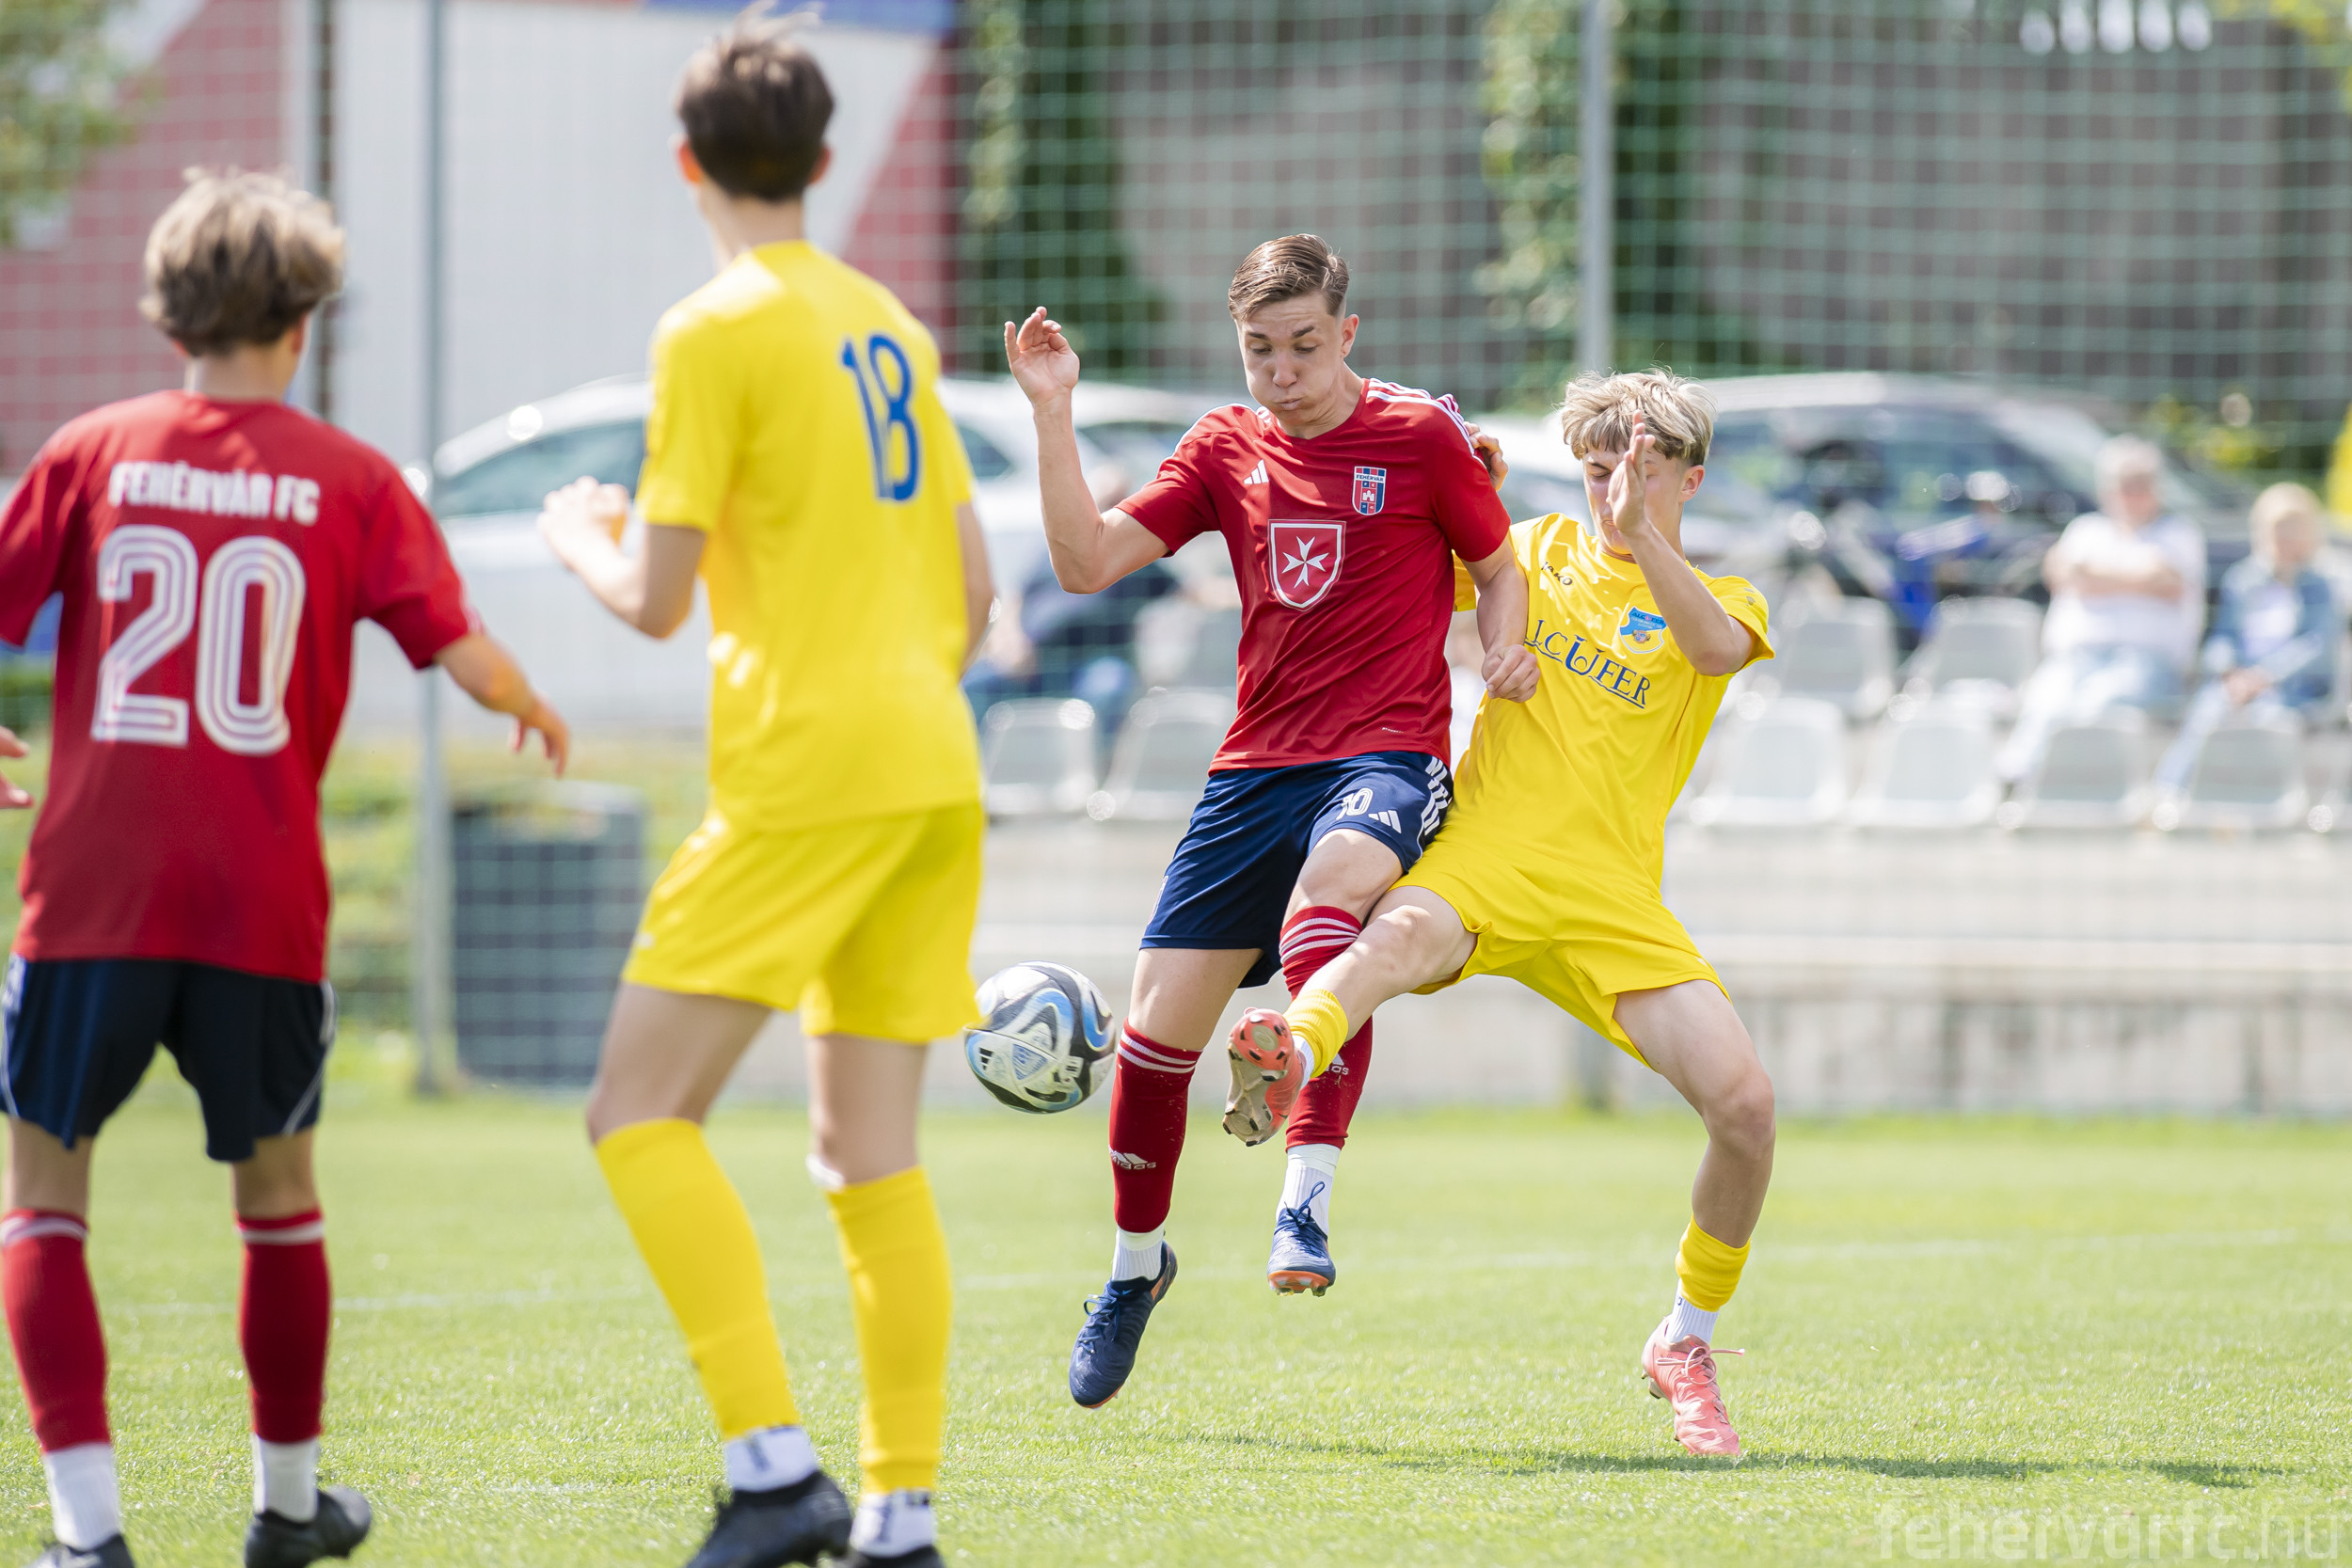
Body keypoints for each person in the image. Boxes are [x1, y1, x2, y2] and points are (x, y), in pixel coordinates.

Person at [0, 170, 568, 1568]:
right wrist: (528, 700)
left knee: (43, 1198)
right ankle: (290, 1508)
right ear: (306, 323)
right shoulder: (350, 479)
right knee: (278, 1201)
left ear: (165, 312)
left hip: (91, 891)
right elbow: (457, 646)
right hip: (257, 900)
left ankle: (88, 1534)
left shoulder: (92, 450)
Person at [535, 19, 992, 1568]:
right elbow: (976, 590)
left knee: (634, 1110)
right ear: (825, 157)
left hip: (807, 770)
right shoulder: (891, 326)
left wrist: (576, 535)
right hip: (933, 766)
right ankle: (899, 1513)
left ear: (688, 164)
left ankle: (772, 1466)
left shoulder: (711, 329)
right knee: (871, 1152)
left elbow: (654, 597)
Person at [1002, 233, 1538, 1409]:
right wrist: (1052, 409)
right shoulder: (1221, 447)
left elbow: (1500, 565)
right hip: (1253, 769)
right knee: (1153, 1043)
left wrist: (1503, 645)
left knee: (1333, 891)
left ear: (1347, 333)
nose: (1282, 372)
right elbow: (1086, 563)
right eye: (1259, 350)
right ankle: (1132, 1270)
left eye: (1303, 346)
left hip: (1387, 751)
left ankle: (1304, 1199)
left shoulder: (1418, 437)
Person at [1226, 370, 1778, 1460]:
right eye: (1596, 468)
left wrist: (1639, 536)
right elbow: (1401, 574)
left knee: (1746, 1108)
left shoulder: (1722, 597)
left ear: (1688, 480)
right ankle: (1291, 1048)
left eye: (1638, 471)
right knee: (1393, 940)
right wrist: (1447, 484)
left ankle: (1684, 1338)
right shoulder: (1529, 551)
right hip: (1487, 853)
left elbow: (1714, 651)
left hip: (1610, 895)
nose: (1610, 489)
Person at [1994, 436, 2205, 784]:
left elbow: (2163, 581)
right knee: (2046, 703)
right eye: (2123, 485)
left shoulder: (2179, 533)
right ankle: (2016, 785)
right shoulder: (2086, 529)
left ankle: (2069, 788)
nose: (2131, 494)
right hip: (2075, 659)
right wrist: (2134, 578)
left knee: (2096, 705)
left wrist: (2093, 576)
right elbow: (2060, 573)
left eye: (2141, 484)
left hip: (2146, 663)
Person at [2154, 483, 2340, 793]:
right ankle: (2170, 792)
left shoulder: (2319, 586)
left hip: (2292, 689)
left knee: (2271, 719)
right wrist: (2229, 672)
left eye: (2292, 529)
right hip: (2239, 683)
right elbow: (2223, 637)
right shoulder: (2243, 579)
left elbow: (2316, 646)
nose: (2283, 537)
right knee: (2208, 711)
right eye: (2276, 528)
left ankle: (2271, 799)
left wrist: (2265, 676)